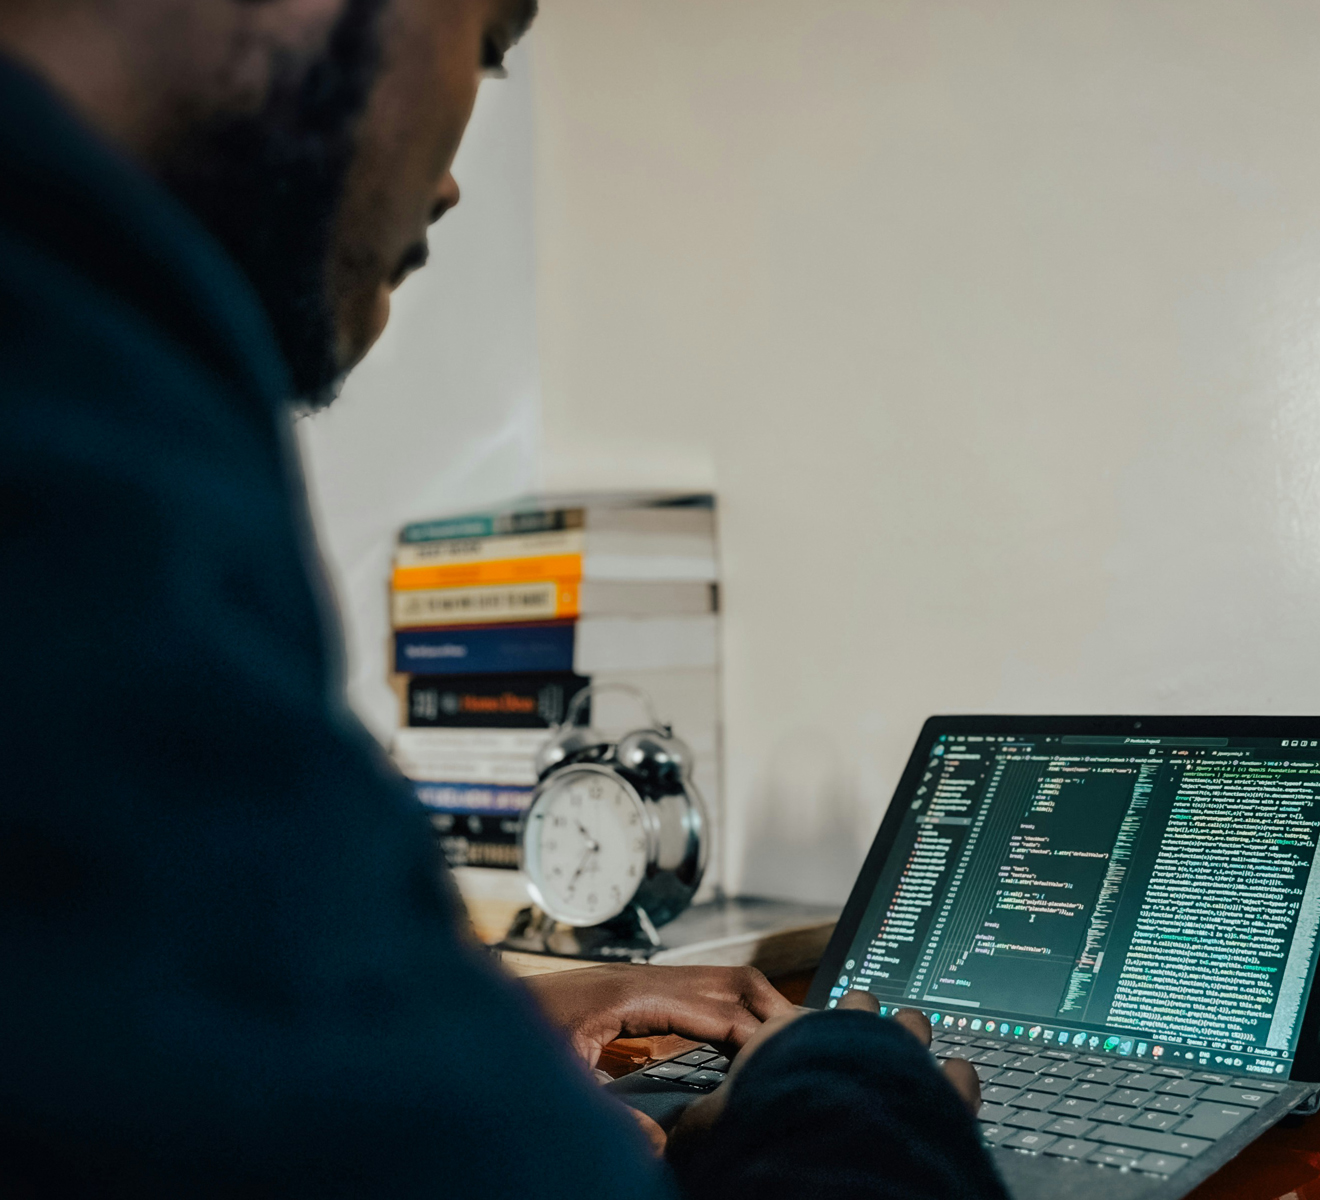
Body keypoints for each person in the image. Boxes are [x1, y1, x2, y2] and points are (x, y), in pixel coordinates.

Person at [0, 1, 1003, 1196]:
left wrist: (460, 1026)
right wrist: (854, 1090)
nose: (458, 187)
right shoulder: (70, 468)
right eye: (486, 38)